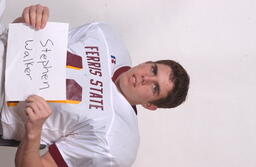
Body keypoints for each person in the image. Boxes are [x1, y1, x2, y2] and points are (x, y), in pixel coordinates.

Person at [0, 4, 190, 167]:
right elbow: (27, 41)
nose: (145, 78)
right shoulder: (106, 36)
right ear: (149, 62)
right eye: (153, 70)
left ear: (150, 105)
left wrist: (34, 131)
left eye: (154, 87)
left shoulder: (115, 141)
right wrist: (30, 20)